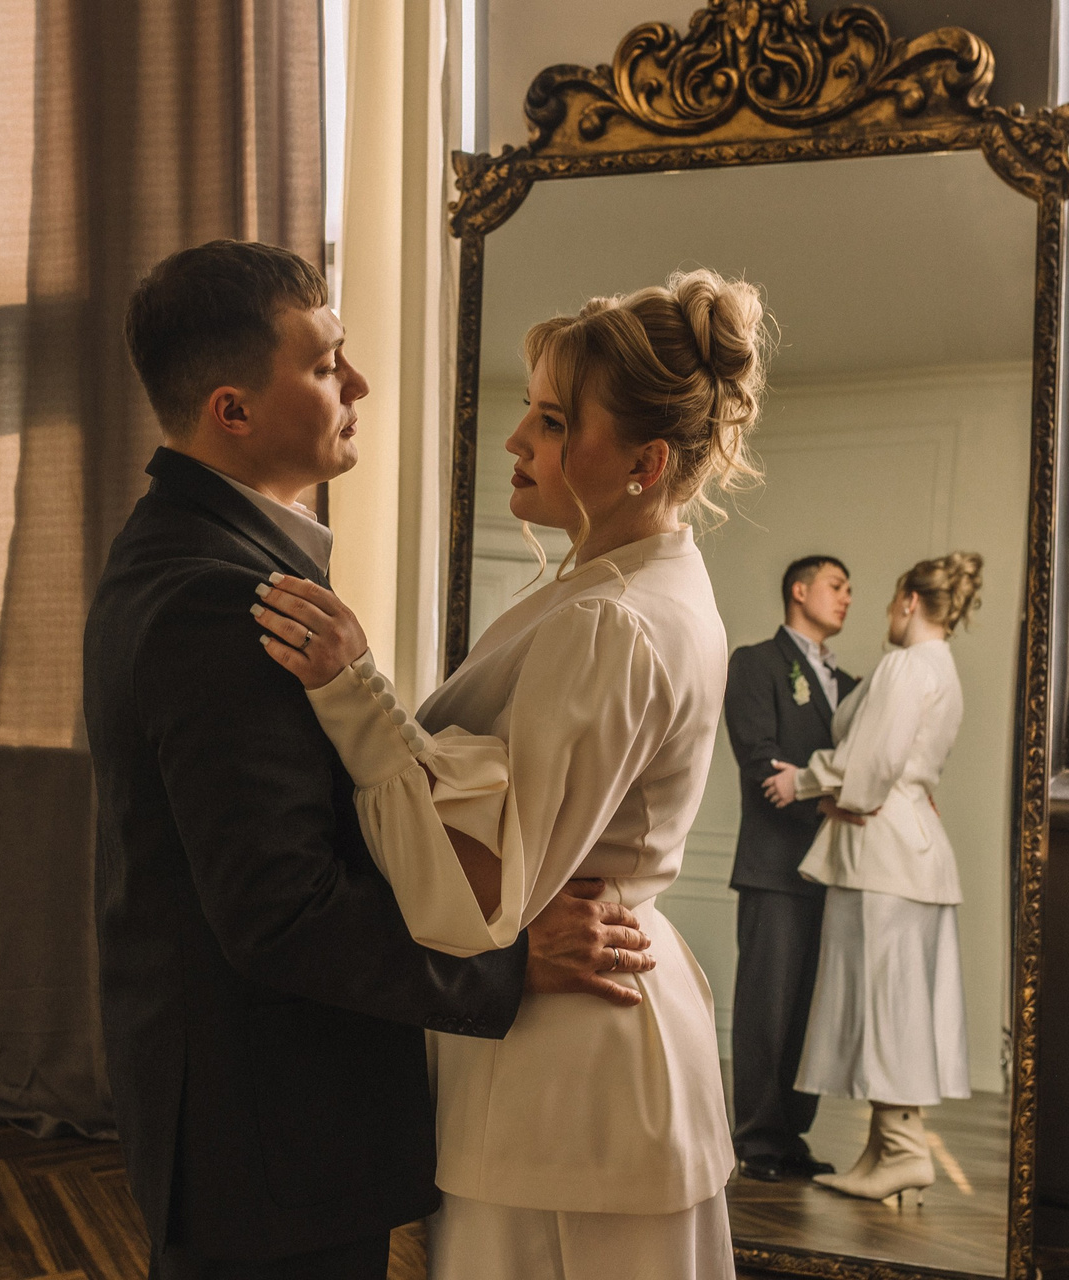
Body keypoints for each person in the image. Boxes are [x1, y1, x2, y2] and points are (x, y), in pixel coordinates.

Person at [84, 240, 653, 1280]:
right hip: (270, 1132)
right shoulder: (220, 599)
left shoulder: (188, 547)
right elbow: (280, 913)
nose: (359, 384)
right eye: (323, 365)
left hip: (249, 1113)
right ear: (232, 410)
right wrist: (508, 965)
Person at [252, 268, 767, 1278]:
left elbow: (483, 893)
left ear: (645, 462)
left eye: (553, 421)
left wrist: (356, 691)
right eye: (531, 411)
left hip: (571, 1072)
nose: (516, 440)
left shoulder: (612, 619)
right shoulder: (637, 583)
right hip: (588, 1043)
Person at [763, 552, 984, 1204]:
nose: (884, 610)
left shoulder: (907, 665)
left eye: (890, 599)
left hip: (883, 853)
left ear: (910, 601)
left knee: (884, 1007)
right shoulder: (941, 669)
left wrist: (805, 782)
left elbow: (872, 760)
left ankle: (903, 1151)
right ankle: (886, 1149)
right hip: (913, 851)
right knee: (894, 1005)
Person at [724, 555, 858, 1182]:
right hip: (774, 865)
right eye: (837, 585)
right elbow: (760, 758)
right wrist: (826, 800)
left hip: (833, 867)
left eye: (851, 590)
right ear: (799, 591)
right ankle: (756, 1140)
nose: (847, 597)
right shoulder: (755, 663)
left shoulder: (852, 685)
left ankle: (792, 1137)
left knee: (809, 1010)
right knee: (767, 1009)